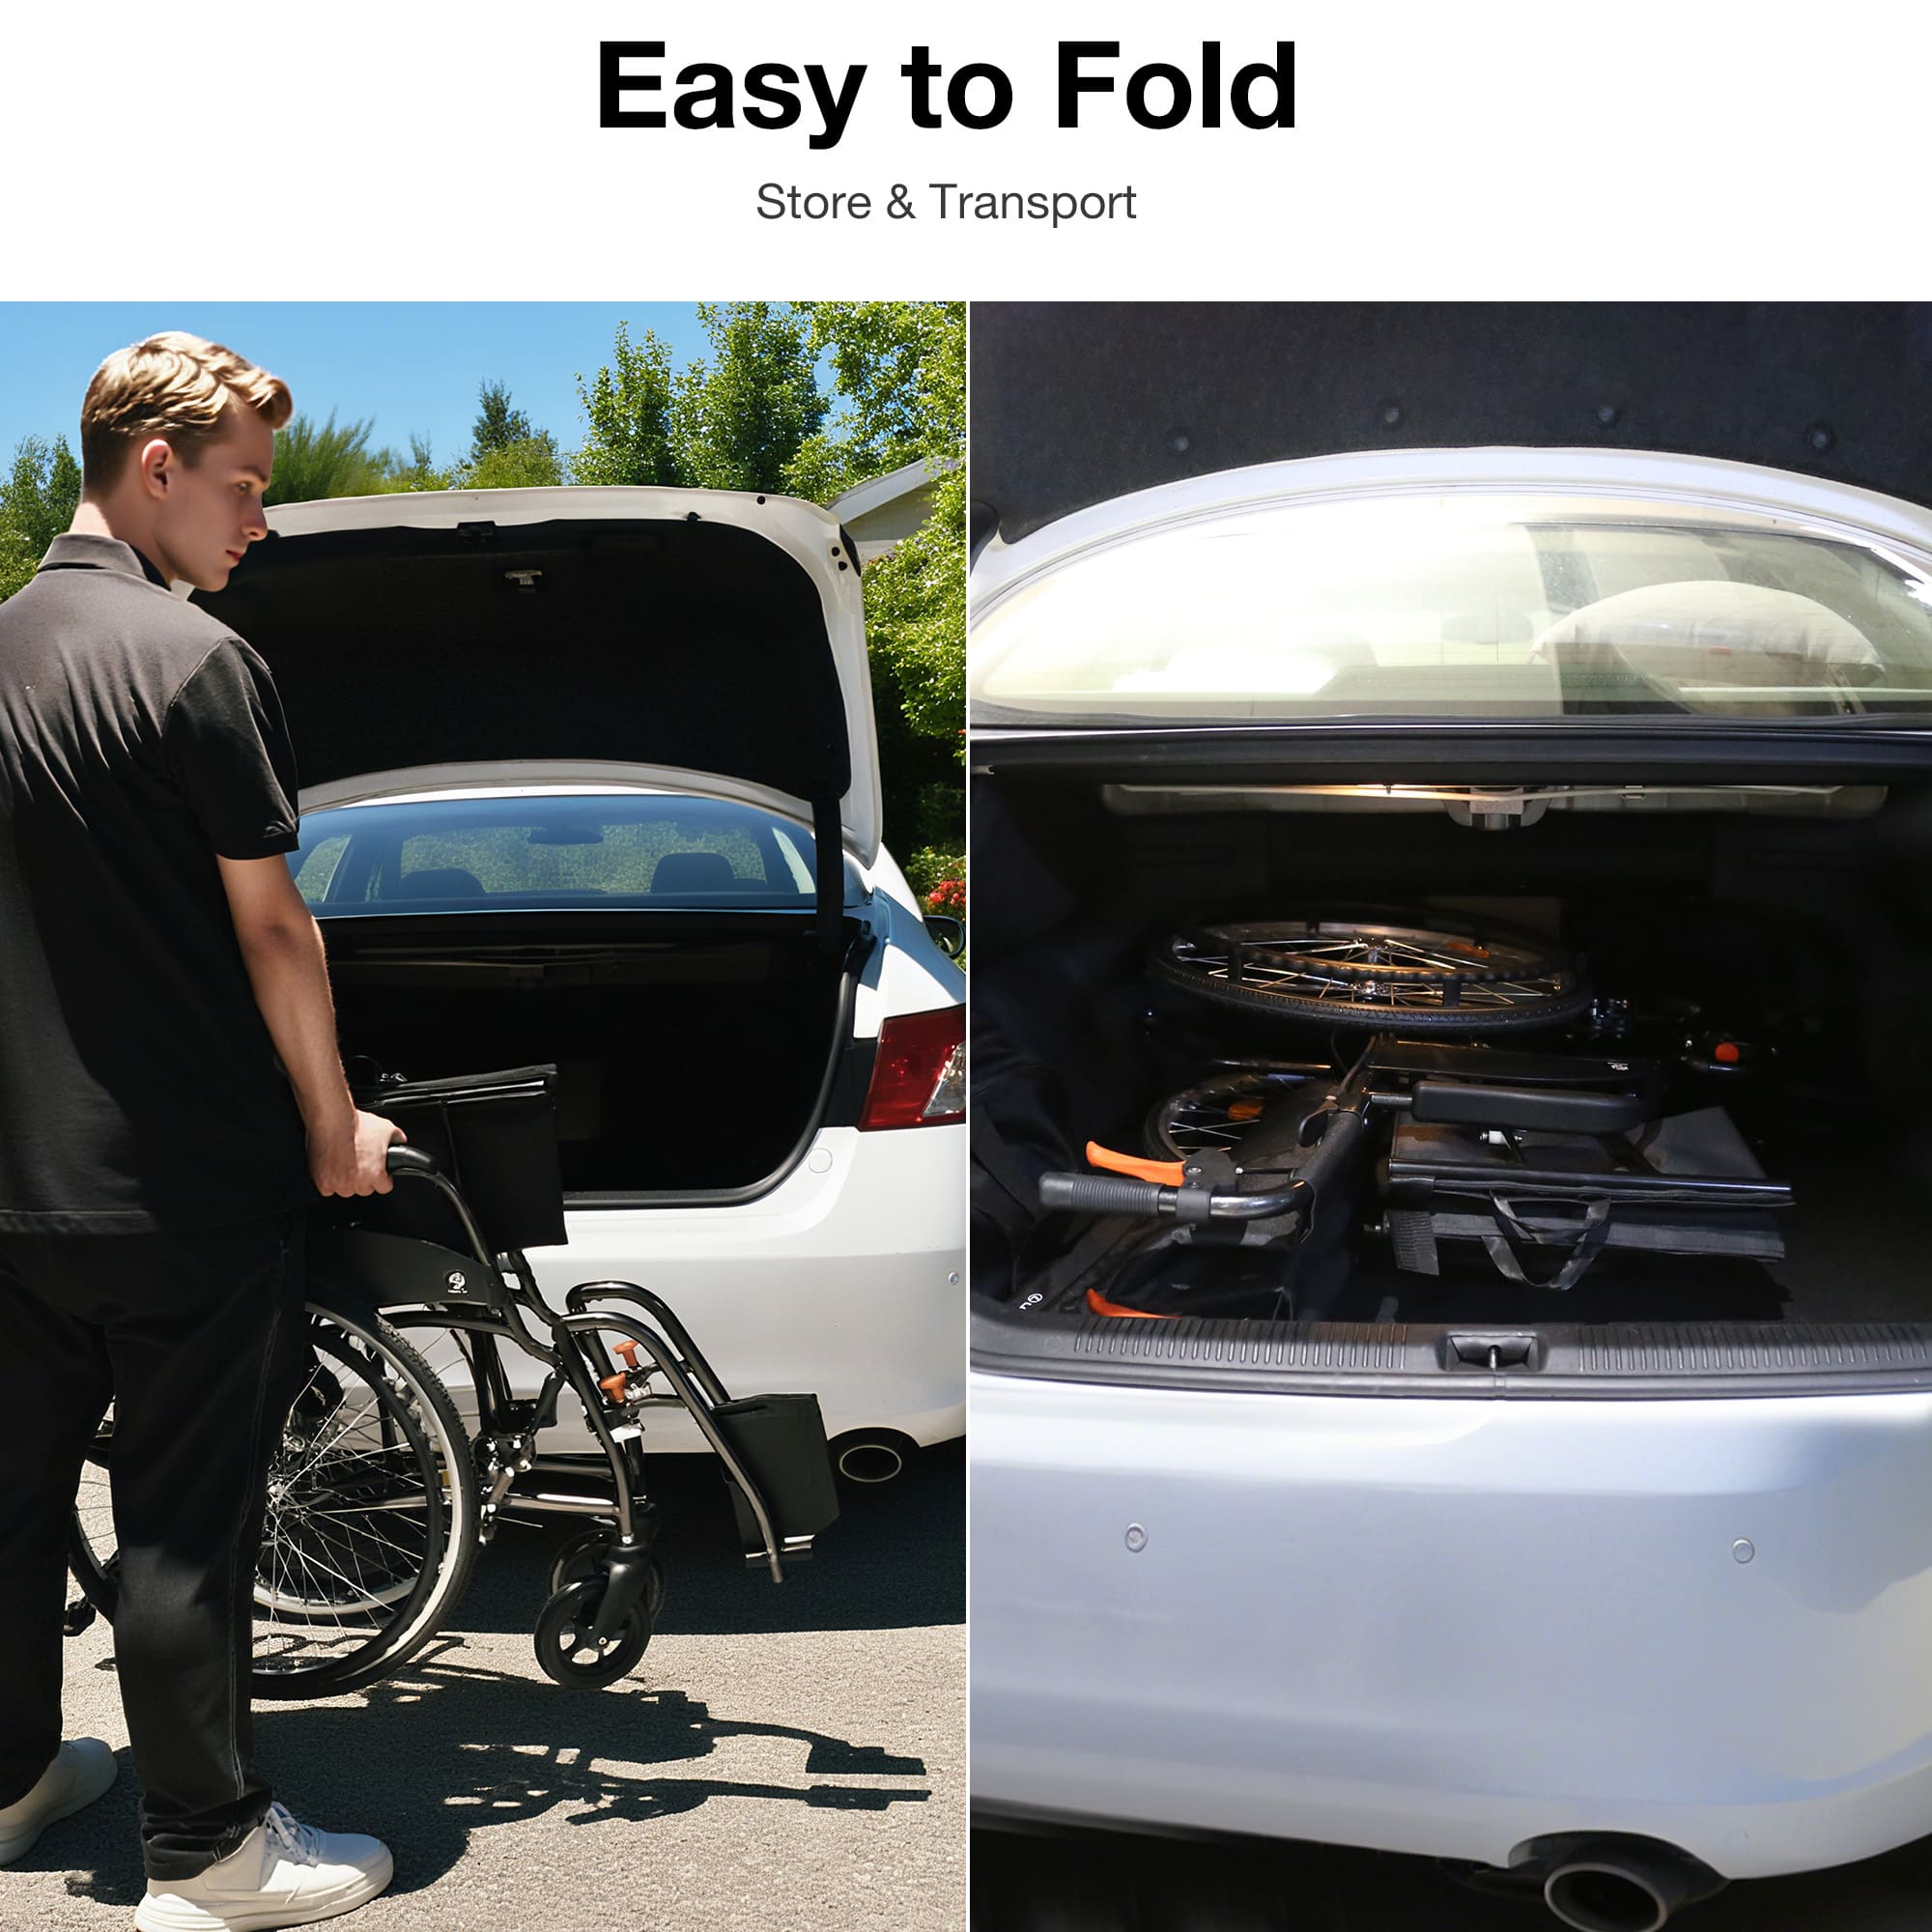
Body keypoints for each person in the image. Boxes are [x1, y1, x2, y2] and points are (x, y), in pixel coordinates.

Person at [0, 333, 403, 1930]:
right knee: (183, 1519)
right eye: (243, 488)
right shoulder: (194, 664)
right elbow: (277, 934)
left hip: (5, 1189)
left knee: (13, 1504)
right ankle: (211, 1853)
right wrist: (330, 1122)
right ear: (152, 468)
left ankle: (16, 1780)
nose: (260, 523)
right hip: (178, 1190)